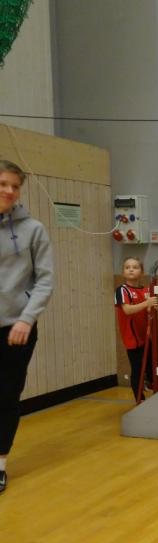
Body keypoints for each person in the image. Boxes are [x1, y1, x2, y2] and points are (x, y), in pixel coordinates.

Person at [0, 159, 54, 494]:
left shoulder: (33, 229)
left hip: (15, 330)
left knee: (6, 396)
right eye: (3, 184)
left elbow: (45, 279)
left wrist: (26, 317)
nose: (9, 191)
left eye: (15, 186)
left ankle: (0, 464)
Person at [114, 257, 157, 402]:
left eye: (135, 267)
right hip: (132, 337)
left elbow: (150, 309)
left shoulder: (146, 290)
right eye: (127, 267)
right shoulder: (122, 290)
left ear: (142, 272)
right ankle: (139, 398)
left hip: (145, 336)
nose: (131, 269)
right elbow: (127, 310)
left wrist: (152, 306)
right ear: (123, 272)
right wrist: (146, 303)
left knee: (151, 364)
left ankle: (152, 385)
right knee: (138, 369)